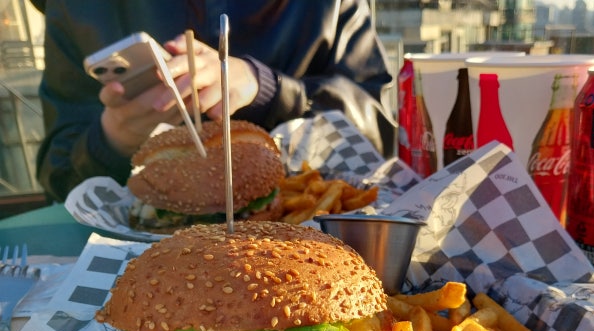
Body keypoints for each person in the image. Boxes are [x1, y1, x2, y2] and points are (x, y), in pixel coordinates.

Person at [31, 0, 396, 203]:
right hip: (129, 249)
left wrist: (268, 89)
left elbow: (380, 129)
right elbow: (57, 170)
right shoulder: (75, 9)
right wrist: (110, 140)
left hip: (318, 239)